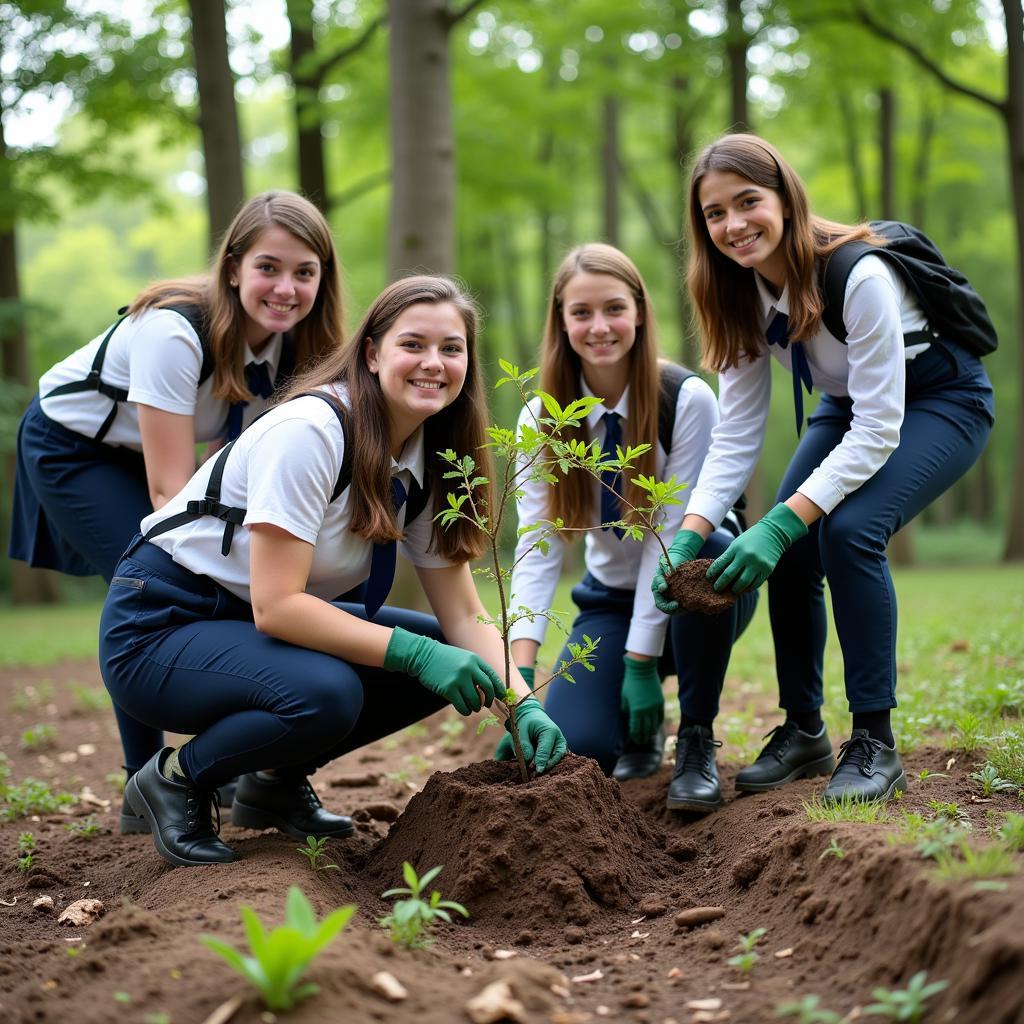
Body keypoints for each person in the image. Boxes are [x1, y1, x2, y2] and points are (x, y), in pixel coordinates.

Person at [97, 275, 568, 867]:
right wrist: (418, 657)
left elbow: (466, 615)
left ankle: (274, 782)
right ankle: (176, 777)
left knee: (438, 645)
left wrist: (521, 704)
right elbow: (278, 605)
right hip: (159, 627)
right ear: (372, 354)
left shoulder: (429, 457)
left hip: (247, 629)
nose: (434, 363)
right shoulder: (312, 433)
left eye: (451, 349)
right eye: (413, 345)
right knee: (333, 690)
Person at [654, 133, 994, 803]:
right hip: (848, 406)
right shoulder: (736, 293)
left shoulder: (859, 274)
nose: (733, 224)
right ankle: (804, 730)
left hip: (942, 400)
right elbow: (737, 432)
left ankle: (874, 742)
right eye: (714, 214)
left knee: (846, 531)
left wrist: (779, 524)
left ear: (786, 198)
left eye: (748, 201)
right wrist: (690, 530)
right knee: (793, 548)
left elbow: (879, 429)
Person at [10, 191, 343, 833]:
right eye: (269, 267)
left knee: (238, 589)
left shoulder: (295, 348)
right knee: (147, 586)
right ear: (233, 268)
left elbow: (236, 467)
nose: (286, 287)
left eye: (305, 272)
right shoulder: (174, 329)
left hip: (148, 453)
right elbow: (169, 496)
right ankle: (147, 786)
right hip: (75, 447)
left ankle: (264, 771)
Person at [506, 243, 757, 813]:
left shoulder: (686, 399)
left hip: (696, 593)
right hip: (610, 604)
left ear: (640, 312)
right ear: (561, 321)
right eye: (581, 312)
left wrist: (641, 663)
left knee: (707, 549)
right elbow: (536, 547)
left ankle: (694, 736)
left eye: (614, 308)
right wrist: (519, 683)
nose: (599, 327)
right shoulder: (540, 417)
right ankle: (634, 730)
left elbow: (672, 535)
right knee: (584, 747)